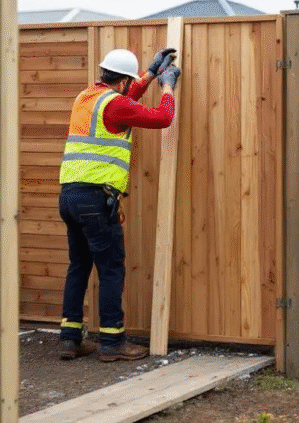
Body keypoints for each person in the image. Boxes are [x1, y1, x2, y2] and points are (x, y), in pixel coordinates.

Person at [57, 47, 182, 361]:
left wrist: (149, 75)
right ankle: (112, 342)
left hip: (69, 196)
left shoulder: (86, 98)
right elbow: (163, 117)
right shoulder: (115, 105)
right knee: (111, 269)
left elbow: (125, 102)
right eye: (132, 80)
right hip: (95, 199)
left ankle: (70, 339)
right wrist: (167, 86)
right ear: (124, 80)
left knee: (79, 266)